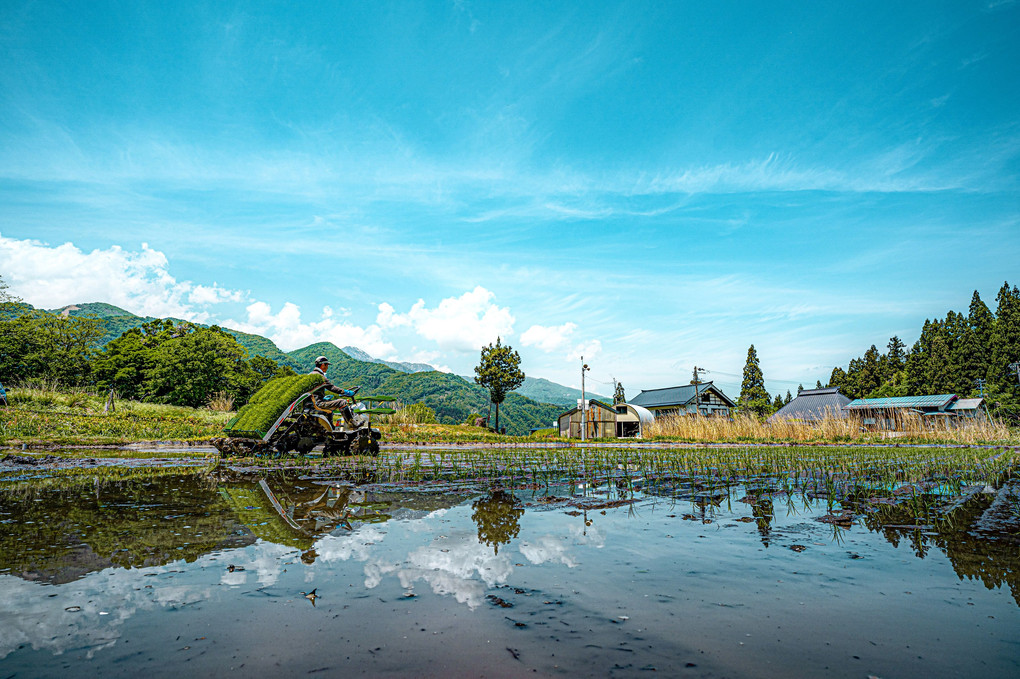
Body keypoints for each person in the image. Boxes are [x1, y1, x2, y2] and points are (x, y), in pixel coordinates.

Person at [310, 356, 359, 426]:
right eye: (327, 365)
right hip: (318, 403)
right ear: (323, 365)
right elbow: (332, 387)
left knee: (330, 408)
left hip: (312, 403)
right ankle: (352, 424)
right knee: (342, 402)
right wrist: (345, 392)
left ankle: (331, 426)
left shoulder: (310, 374)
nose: (327, 367)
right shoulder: (320, 376)